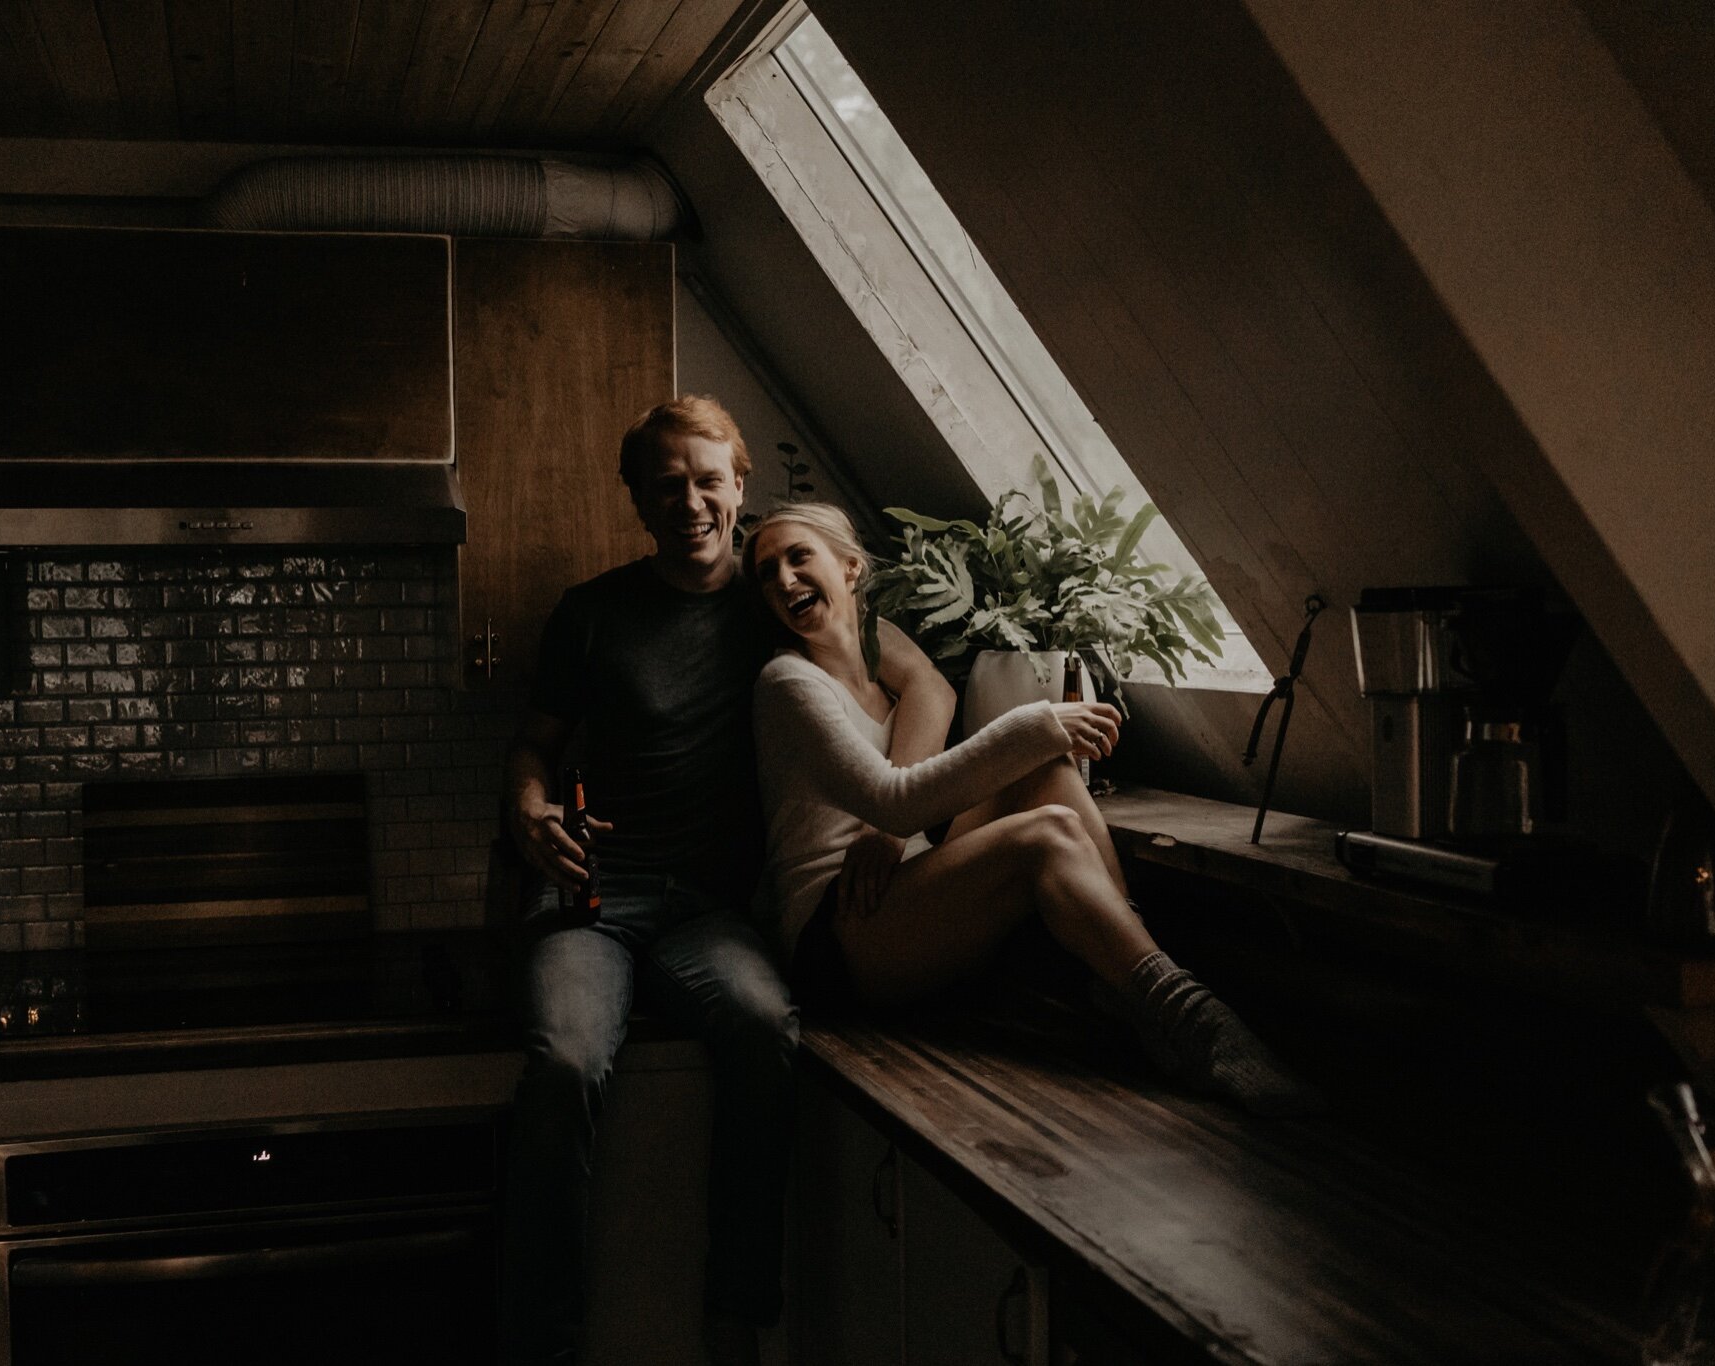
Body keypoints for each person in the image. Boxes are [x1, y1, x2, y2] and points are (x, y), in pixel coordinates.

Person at [500, 398, 954, 1366]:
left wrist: (890, 818)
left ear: (739, 484)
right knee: (564, 1062)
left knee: (760, 1026)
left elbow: (927, 687)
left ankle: (736, 1309)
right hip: (593, 898)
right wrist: (530, 812)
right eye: (667, 484)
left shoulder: (779, 600)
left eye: (708, 479)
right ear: (638, 499)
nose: (691, 501)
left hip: (712, 911)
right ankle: (548, 1335)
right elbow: (533, 749)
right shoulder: (591, 612)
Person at [743, 501, 1322, 1117]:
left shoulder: (875, 644)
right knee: (1046, 833)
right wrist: (1038, 723)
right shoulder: (788, 683)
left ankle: (1131, 986)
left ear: (851, 567)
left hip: (897, 882)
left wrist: (891, 832)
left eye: (798, 556)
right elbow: (895, 797)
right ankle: (1188, 1018)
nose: (783, 579)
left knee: (1044, 774)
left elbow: (932, 689)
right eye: (767, 571)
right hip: (837, 934)